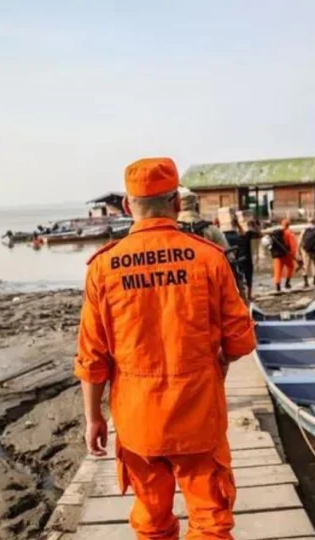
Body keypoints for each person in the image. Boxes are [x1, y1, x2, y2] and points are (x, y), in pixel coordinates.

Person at [76, 157, 256, 539]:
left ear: (127, 206)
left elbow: (92, 357)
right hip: (198, 416)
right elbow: (240, 339)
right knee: (210, 519)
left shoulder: (103, 268)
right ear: (176, 203)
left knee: (151, 518)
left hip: (138, 419)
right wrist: (218, 365)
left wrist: (93, 417)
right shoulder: (209, 257)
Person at [268, 218, 298, 291]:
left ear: (281, 224)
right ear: (289, 225)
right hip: (286, 254)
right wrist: (294, 254)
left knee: (277, 270)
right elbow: (293, 245)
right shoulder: (289, 233)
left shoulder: (276, 233)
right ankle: (287, 283)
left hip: (276, 254)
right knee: (291, 267)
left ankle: (278, 287)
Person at [236, 219, 261, 300]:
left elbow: (241, 232)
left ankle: (241, 295)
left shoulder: (242, 235)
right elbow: (260, 234)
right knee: (248, 277)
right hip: (247, 258)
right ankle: (249, 296)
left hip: (239, 257)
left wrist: (238, 225)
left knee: (240, 277)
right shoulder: (250, 233)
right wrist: (256, 227)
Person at [298, 219, 315, 287]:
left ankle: (306, 283)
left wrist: (298, 251)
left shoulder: (304, 230)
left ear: (308, 222)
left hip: (306, 251)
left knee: (305, 266)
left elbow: (300, 241)